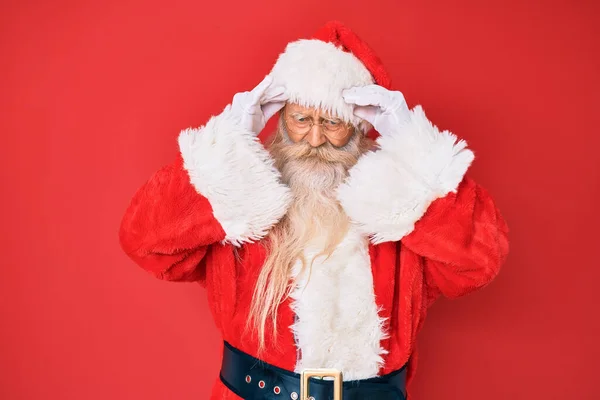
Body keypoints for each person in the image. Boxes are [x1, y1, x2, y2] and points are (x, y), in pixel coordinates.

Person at [119, 21, 509, 400]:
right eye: (301, 119)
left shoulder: (399, 204)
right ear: (281, 117)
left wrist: (414, 154)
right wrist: (224, 147)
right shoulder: (241, 197)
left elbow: (479, 261)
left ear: (360, 127)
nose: (316, 138)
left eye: (333, 122)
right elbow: (144, 242)